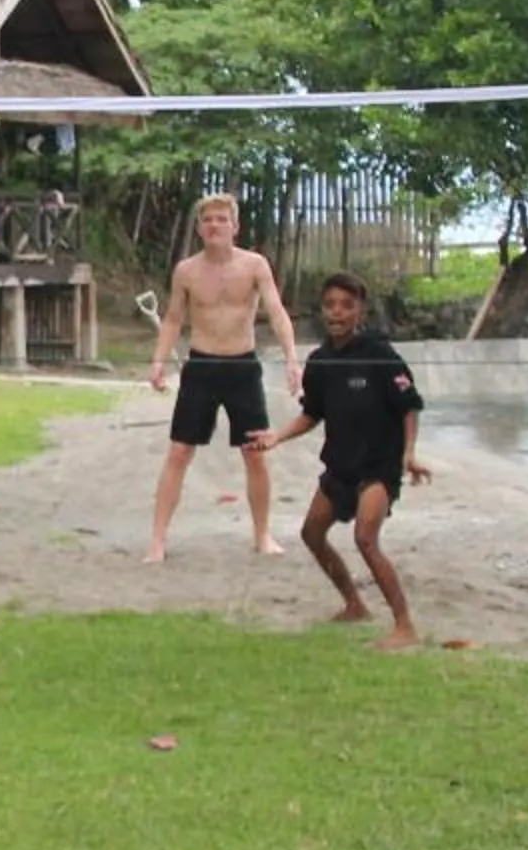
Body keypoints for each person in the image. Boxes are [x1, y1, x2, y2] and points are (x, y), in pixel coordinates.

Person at [250, 271, 432, 649]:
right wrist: (276, 436)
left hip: (379, 467)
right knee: (311, 533)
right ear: (322, 311)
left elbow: (409, 407)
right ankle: (354, 604)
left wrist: (409, 454)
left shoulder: (380, 354)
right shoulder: (319, 362)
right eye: (330, 305)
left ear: (359, 311)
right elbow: (311, 414)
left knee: (365, 537)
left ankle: (405, 626)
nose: (337, 313)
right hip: (340, 467)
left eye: (346, 306)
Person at [144, 192, 302, 562]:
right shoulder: (186, 270)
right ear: (199, 228)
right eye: (208, 220)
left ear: (235, 226)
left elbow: (277, 313)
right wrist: (158, 361)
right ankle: (157, 541)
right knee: (180, 451)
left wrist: (293, 359)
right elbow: (172, 319)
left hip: (242, 366)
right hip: (201, 367)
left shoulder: (255, 265)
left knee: (255, 453)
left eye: (221, 219)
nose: (214, 225)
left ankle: (262, 535)